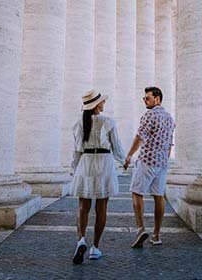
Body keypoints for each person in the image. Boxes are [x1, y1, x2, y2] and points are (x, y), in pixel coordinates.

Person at [70, 89, 126, 264]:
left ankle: (81, 240)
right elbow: (116, 147)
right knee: (101, 207)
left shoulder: (79, 122)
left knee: (82, 206)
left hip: (86, 162)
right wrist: (124, 160)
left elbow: (77, 150)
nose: (104, 103)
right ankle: (95, 248)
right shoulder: (107, 121)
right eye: (102, 101)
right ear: (96, 105)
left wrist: (74, 168)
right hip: (104, 163)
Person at [124, 86, 175, 248]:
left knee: (136, 192)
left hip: (147, 160)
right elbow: (170, 144)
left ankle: (141, 229)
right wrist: (165, 159)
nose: (144, 100)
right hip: (162, 163)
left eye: (147, 98)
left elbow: (139, 137)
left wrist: (129, 155)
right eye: (144, 98)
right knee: (158, 197)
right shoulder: (169, 118)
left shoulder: (149, 115)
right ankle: (156, 235)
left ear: (157, 99)